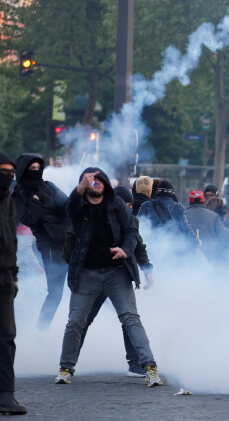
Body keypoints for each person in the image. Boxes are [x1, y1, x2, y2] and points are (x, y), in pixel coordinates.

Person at [55, 167, 162, 387]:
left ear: (105, 183)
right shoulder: (79, 206)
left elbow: (133, 233)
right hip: (86, 274)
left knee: (130, 318)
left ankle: (149, 367)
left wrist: (126, 250)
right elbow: (69, 207)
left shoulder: (117, 205)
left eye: (99, 179)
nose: (96, 183)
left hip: (116, 273)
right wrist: (81, 186)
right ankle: (65, 369)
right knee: (76, 321)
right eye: (90, 181)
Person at [12, 153, 70, 329]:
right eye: (31, 169)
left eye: (38, 168)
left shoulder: (49, 187)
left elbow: (67, 207)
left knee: (87, 285)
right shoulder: (18, 194)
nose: (36, 172)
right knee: (55, 293)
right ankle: (41, 330)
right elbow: (29, 219)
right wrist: (37, 204)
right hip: (51, 247)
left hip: (69, 240)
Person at [0, 153, 28, 415]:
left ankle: (5, 394)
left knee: (7, 338)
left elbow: (12, 243)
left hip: (4, 281)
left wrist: (14, 275)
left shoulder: (9, 202)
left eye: (11, 172)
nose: (7, 177)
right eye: (3, 171)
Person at [138, 180, 198, 245]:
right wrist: (195, 242)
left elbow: (138, 226)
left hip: (151, 246)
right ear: (172, 193)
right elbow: (185, 228)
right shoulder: (178, 207)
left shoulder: (146, 205)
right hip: (171, 247)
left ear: (157, 192)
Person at [186, 190, 229, 259]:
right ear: (203, 200)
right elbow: (225, 234)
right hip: (209, 257)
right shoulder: (213, 216)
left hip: (187, 256)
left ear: (189, 201)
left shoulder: (181, 215)